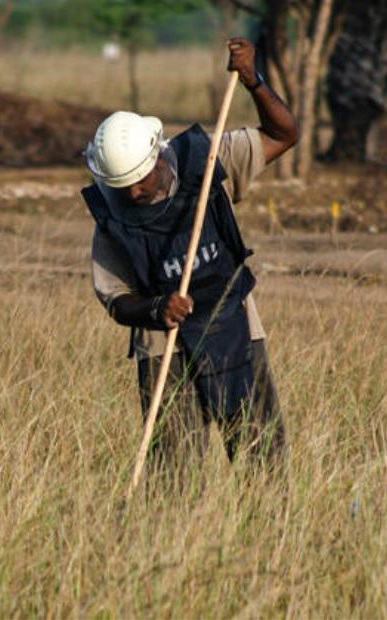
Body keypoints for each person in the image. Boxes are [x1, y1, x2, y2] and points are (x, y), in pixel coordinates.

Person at [81, 38, 299, 482]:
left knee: (262, 455)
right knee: (173, 472)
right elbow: (116, 299)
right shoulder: (111, 219)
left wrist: (253, 81)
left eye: (139, 181)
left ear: (159, 155)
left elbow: (284, 134)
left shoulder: (209, 160)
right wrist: (157, 309)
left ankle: (271, 537)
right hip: (165, 346)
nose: (134, 194)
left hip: (235, 323)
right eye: (121, 188)